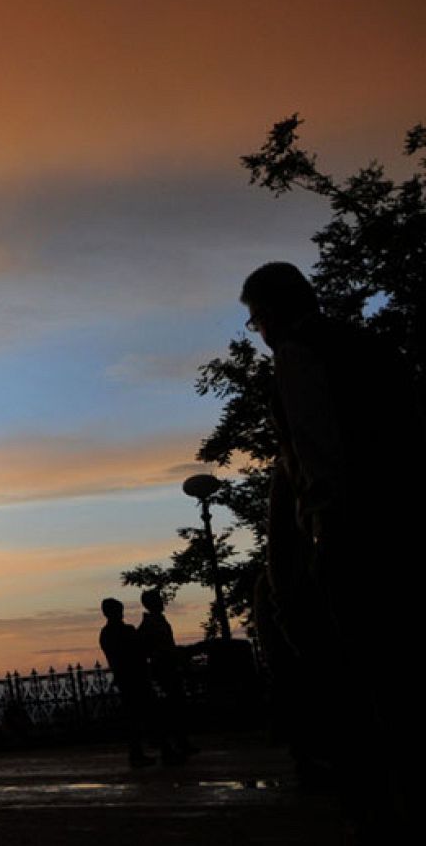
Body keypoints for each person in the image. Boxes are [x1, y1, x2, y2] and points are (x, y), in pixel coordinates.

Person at [241, 261, 426, 833]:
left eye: (256, 321)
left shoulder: (298, 354)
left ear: (270, 314)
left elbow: (317, 445)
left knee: (355, 659)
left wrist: (323, 531)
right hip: (400, 517)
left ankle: (374, 787)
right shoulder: (365, 345)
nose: (260, 332)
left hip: (352, 529)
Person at [98, 597, 166, 767]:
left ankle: (138, 753)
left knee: (135, 719)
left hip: (124, 679)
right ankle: (164, 750)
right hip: (137, 677)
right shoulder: (125, 631)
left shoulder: (106, 634)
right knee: (153, 714)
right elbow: (140, 648)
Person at [136, 590, 193, 758]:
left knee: (177, 705)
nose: (161, 602)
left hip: (168, 666)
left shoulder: (156, 621)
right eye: (158, 600)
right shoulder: (150, 624)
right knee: (174, 706)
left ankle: (181, 742)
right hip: (164, 668)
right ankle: (178, 742)